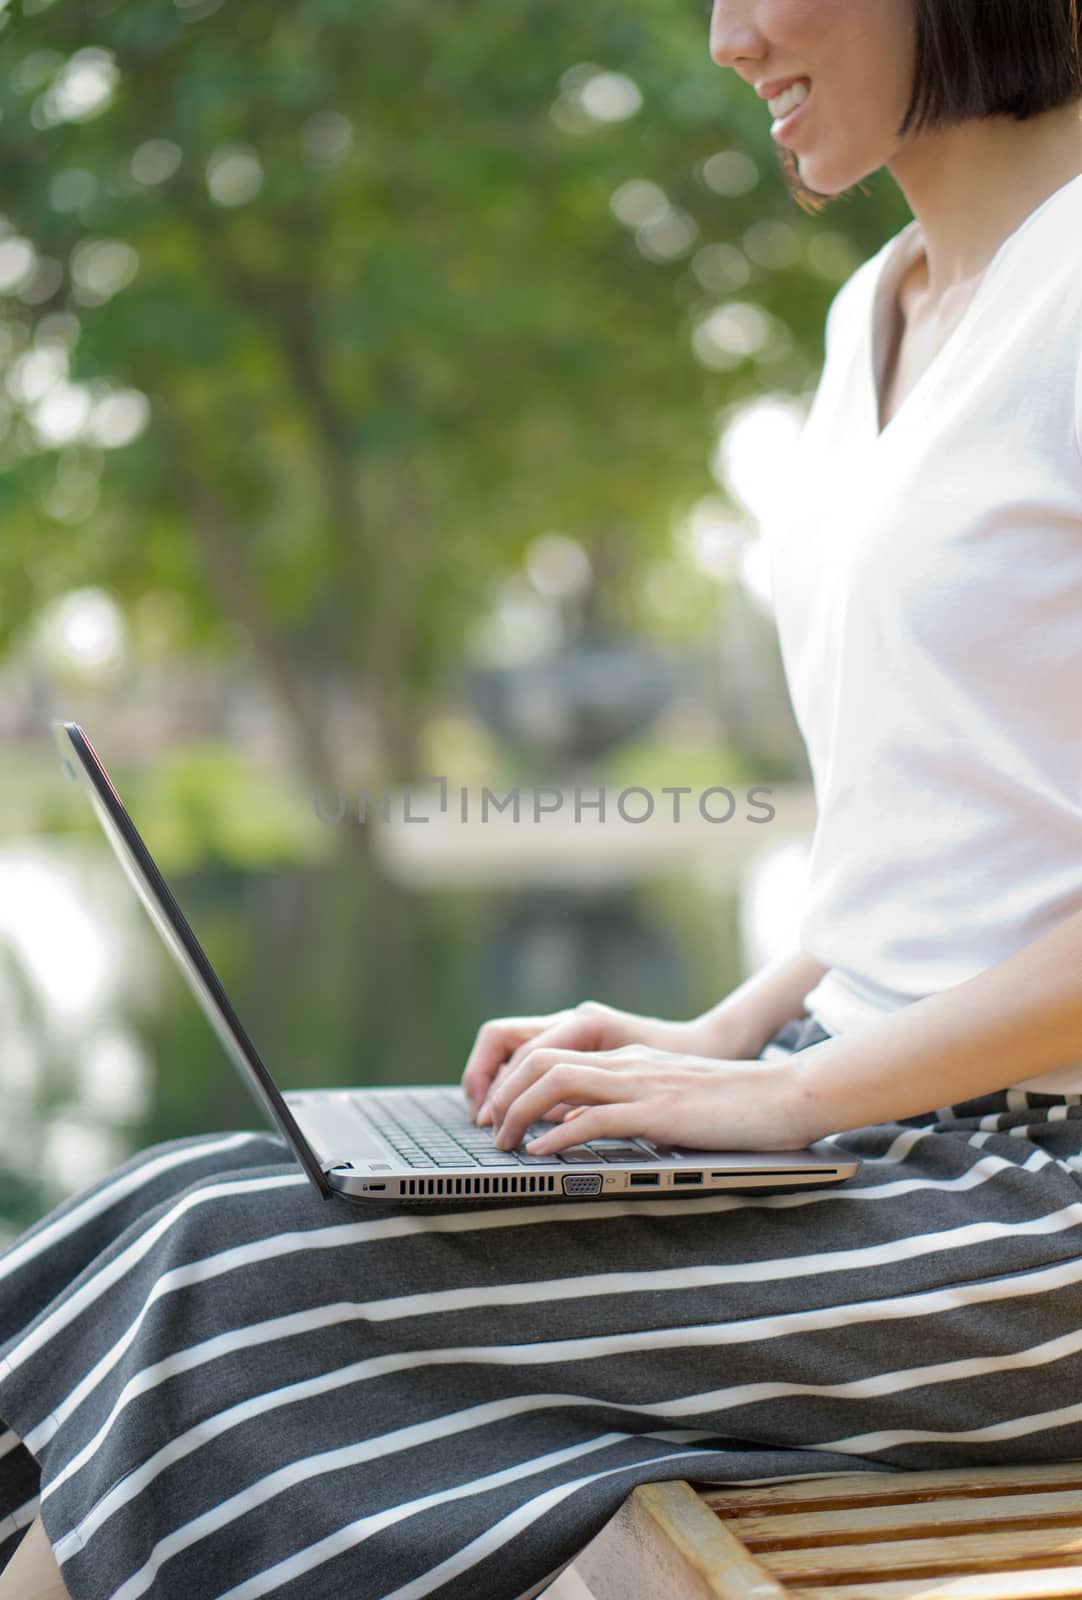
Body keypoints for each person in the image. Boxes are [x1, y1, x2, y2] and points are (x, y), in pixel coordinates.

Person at [4, 0, 1082, 1594]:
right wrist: (725, 1035)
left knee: (236, 1297)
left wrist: (788, 1100)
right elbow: (944, 824)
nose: (725, 37)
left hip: (1034, 1203)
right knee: (164, 1204)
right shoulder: (876, 308)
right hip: (865, 1100)